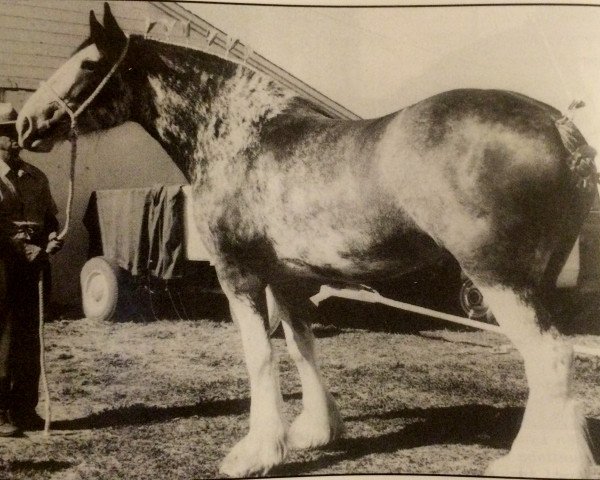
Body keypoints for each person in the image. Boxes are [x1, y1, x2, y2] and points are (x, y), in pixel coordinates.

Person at [0, 103, 63, 436]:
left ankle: (25, 408)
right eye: (8, 132)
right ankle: (0, 412)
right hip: (3, 266)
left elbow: (50, 219)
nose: (15, 138)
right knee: (4, 337)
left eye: (16, 130)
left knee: (30, 336)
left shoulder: (36, 176)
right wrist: (26, 248)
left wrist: (53, 237)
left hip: (35, 266)